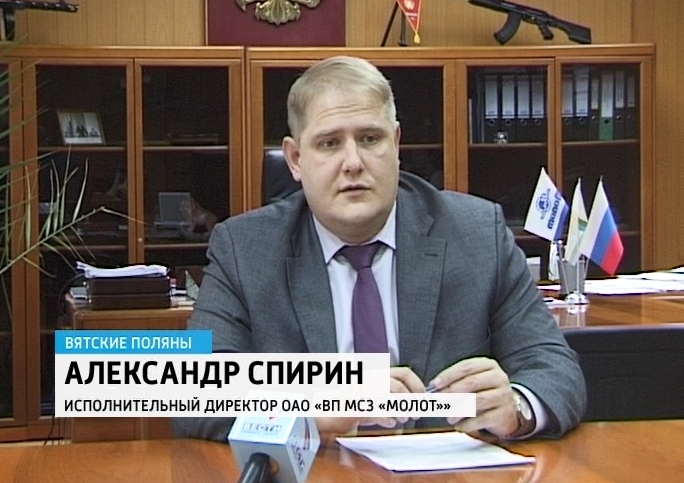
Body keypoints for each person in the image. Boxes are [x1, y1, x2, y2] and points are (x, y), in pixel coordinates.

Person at [173, 56, 585, 442]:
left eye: (370, 139)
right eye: (329, 144)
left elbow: (555, 368)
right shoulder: (246, 250)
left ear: (396, 143)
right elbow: (192, 393)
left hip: (449, 478)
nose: (353, 162)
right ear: (295, 159)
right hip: (317, 477)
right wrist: (312, 406)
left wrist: (517, 406)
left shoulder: (477, 235)